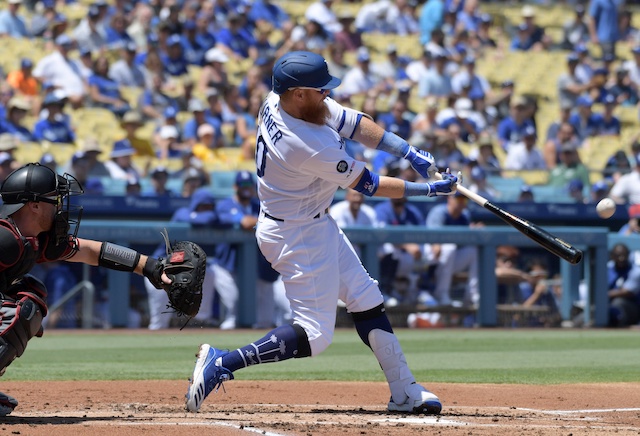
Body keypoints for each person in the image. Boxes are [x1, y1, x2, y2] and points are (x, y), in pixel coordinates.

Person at [185, 50, 458, 415]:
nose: (327, 94)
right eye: (319, 89)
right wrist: (428, 191)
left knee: (364, 296)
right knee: (315, 335)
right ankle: (223, 362)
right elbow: (370, 184)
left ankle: (404, 390)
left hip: (310, 222)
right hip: (296, 234)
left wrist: (407, 151)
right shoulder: (303, 144)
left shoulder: (283, 99)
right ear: (299, 93)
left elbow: (353, 122)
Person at [0, 162, 175, 416]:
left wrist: (150, 267)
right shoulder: (6, 238)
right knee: (20, 312)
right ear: (34, 205)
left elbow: (92, 251)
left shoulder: (32, 238)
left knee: (30, 295)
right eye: (54, 199)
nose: (59, 206)